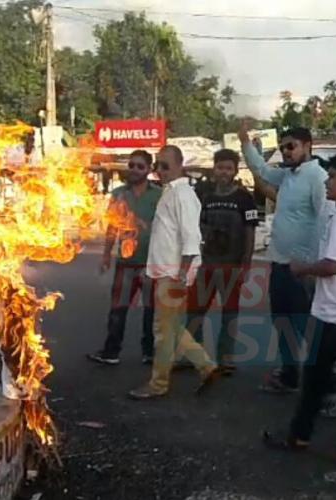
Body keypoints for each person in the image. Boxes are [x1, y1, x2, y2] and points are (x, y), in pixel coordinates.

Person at [262, 152, 336, 463]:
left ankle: (298, 437)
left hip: (335, 313)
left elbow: (333, 265)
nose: (327, 182)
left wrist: (302, 269)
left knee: (314, 380)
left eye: (334, 177)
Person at [238, 122, 336, 413]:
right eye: (283, 146)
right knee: (282, 321)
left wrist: (312, 264)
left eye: (291, 146)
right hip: (280, 263)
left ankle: (329, 389)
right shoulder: (288, 176)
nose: (286, 152)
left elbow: (326, 220)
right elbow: (261, 170)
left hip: (304, 270)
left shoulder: (317, 177)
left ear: (307, 147)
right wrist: (245, 142)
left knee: (311, 328)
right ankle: (289, 375)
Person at [128, 145, 219, 400]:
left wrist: (181, 273)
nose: (160, 171)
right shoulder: (170, 192)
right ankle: (207, 367)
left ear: (180, 166)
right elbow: (165, 237)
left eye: (165, 166)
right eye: (158, 165)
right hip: (165, 271)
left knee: (164, 332)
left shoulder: (183, 195)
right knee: (173, 328)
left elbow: (191, 237)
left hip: (174, 274)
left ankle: (158, 384)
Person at [186, 148, 258, 375]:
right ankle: (193, 356)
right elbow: (196, 228)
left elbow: (250, 231)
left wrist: (246, 262)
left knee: (229, 313)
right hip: (206, 264)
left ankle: (226, 359)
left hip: (232, 265)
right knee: (195, 310)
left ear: (235, 171)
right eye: (220, 167)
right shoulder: (205, 196)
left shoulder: (245, 198)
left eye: (228, 168)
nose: (224, 172)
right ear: (214, 169)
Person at [87, 150, 162, 366]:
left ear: (149, 170)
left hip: (151, 263)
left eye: (140, 166)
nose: (135, 170)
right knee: (118, 309)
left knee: (151, 311)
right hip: (126, 263)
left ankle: (150, 353)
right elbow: (112, 226)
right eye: (132, 165)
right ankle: (111, 352)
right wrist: (106, 255)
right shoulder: (119, 194)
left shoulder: (159, 195)